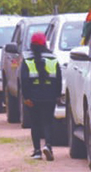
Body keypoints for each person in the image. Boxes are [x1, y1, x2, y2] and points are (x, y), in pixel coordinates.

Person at [20, 32, 61, 160]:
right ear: (45, 44)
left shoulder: (27, 60)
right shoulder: (53, 59)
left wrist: (26, 97)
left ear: (31, 45)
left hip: (33, 97)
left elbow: (24, 80)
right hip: (49, 96)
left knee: (35, 123)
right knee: (48, 122)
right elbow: (58, 79)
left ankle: (37, 151)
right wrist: (57, 95)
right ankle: (48, 146)